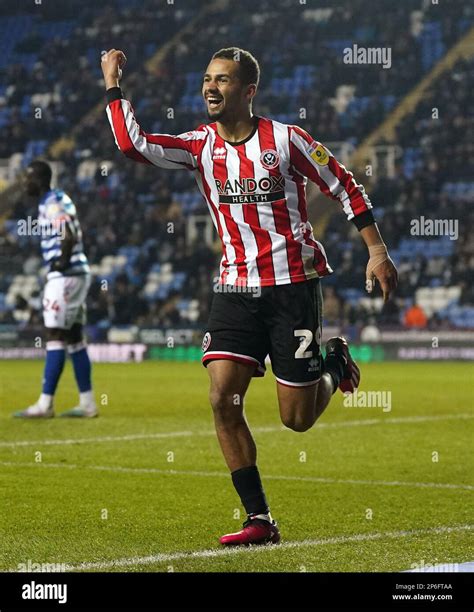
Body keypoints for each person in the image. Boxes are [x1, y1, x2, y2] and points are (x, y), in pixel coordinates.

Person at [101, 46, 398, 545]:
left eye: (222, 80)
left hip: (292, 290)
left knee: (295, 419)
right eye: (206, 79)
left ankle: (334, 365)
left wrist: (377, 251)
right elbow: (135, 146)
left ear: (248, 90)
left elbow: (344, 184)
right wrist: (113, 84)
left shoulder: (286, 140)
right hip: (235, 288)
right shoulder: (199, 146)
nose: (210, 88)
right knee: (222, 397)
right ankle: (258, 518)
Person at [14, 161, 98, 418]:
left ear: (39, 179)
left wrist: (60, 262)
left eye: (28, 178)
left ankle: (45, 404)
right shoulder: (55, 199)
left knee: (54, 334)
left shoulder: (52, 202)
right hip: (76, 274)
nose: (24, 183)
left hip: (65, 276)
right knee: (73, 336)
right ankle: (88, 403)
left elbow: (68, 234)